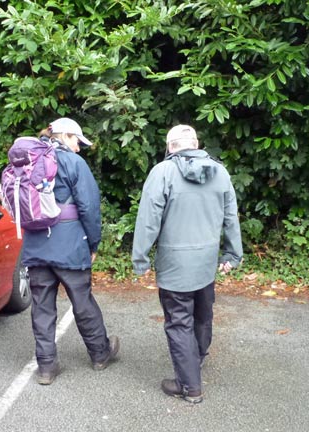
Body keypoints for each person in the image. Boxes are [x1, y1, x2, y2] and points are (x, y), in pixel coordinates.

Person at [132, 124, 243, 403]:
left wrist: (141, 259)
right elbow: (231, 217)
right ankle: (197, 359)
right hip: (205, 263)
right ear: (196, 143)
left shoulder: (162, 173)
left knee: (179, 322)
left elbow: (148, 220)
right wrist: (232, 254)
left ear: (170, 147)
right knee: (203, 314)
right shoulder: (220, 172)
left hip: (174, 265)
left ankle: (190, 386)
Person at [22, 117, 119, 385]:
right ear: (65, 136)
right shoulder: (74, 163)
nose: (79, 147)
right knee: (82, 300)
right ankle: (100, 354)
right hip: (69, 245)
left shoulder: (27, 160)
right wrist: (94, 243)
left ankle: (46, 367)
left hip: (36, 245)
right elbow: (89, 207)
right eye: (77, 141)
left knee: (42, 307)